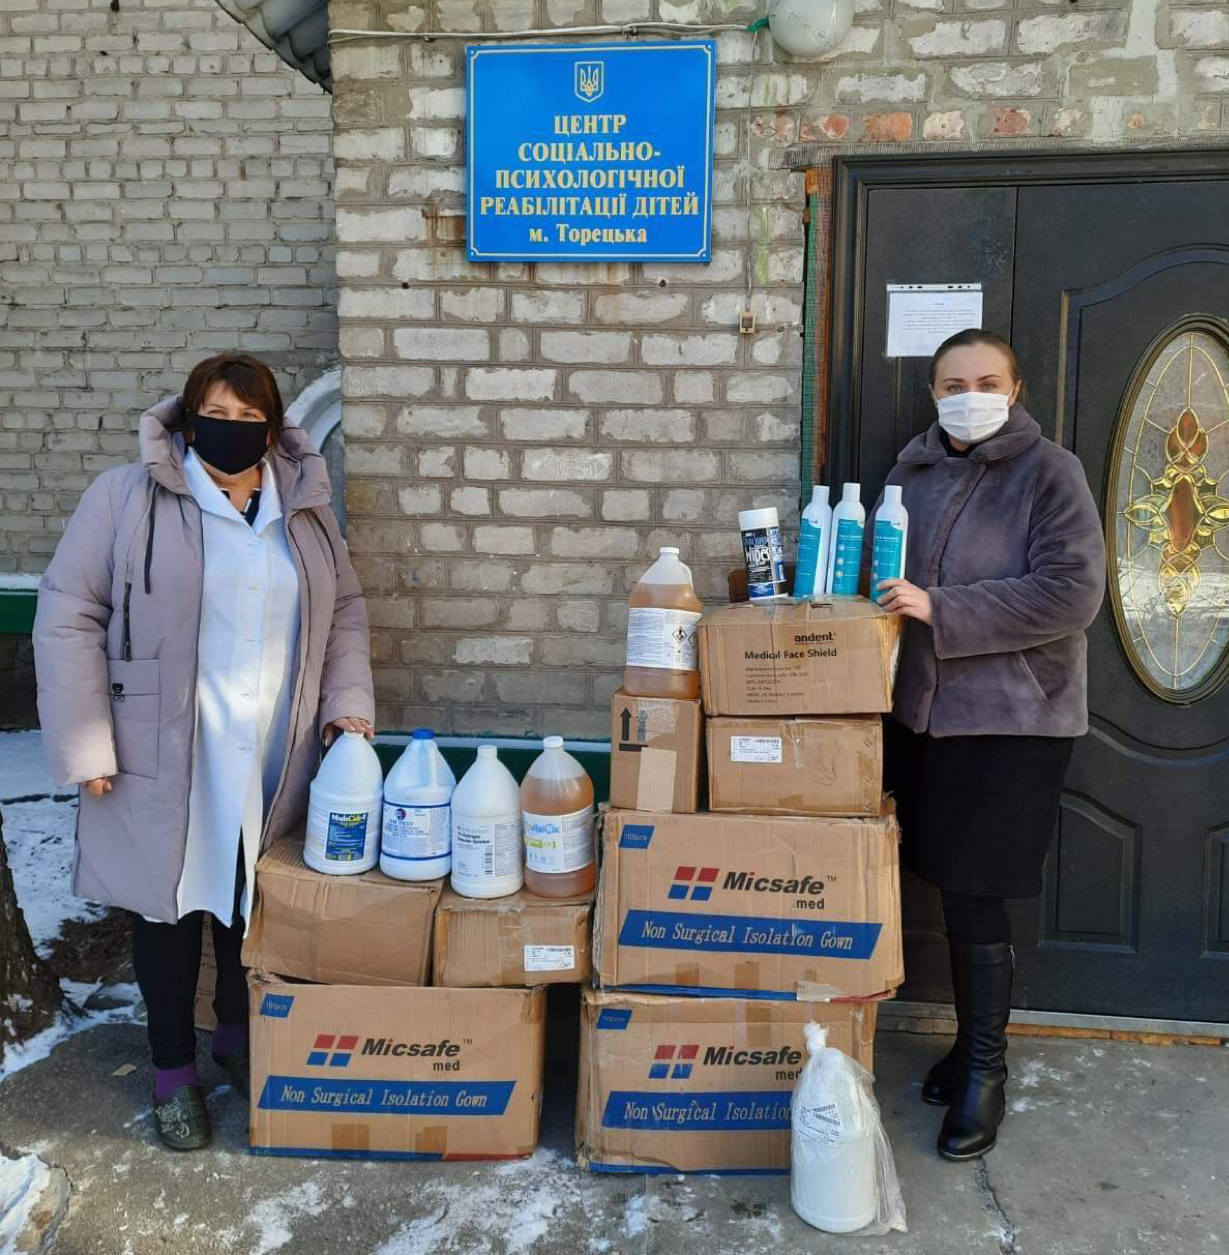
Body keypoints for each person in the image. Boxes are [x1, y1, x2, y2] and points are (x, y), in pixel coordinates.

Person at [34, 353, 374, 1152]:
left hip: (271, 745)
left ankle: (232, 1033)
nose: (231, 428)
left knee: (245, 899)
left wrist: (347, 709)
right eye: (214, 412)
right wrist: (87, 742)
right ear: (189, 419)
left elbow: (347, 611)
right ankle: (171, 1071)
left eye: (247, 415)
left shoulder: (304, 507)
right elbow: (67, 612)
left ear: (272, 425)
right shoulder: (128, 497)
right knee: (168, 907)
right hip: (159, 745)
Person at [870, 329, 1105, 1161]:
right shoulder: (911, 472)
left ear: (1016, 389)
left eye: (986, 379)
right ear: (932, 392)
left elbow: (1070, 592)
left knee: (975, 892)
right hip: (920, 716)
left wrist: (942, 608)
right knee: (937, 879)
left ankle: (984, 1071)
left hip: (1012, 718)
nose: (968, 392)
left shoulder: (1051, 472)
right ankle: (960, 1044)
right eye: (951, 381)